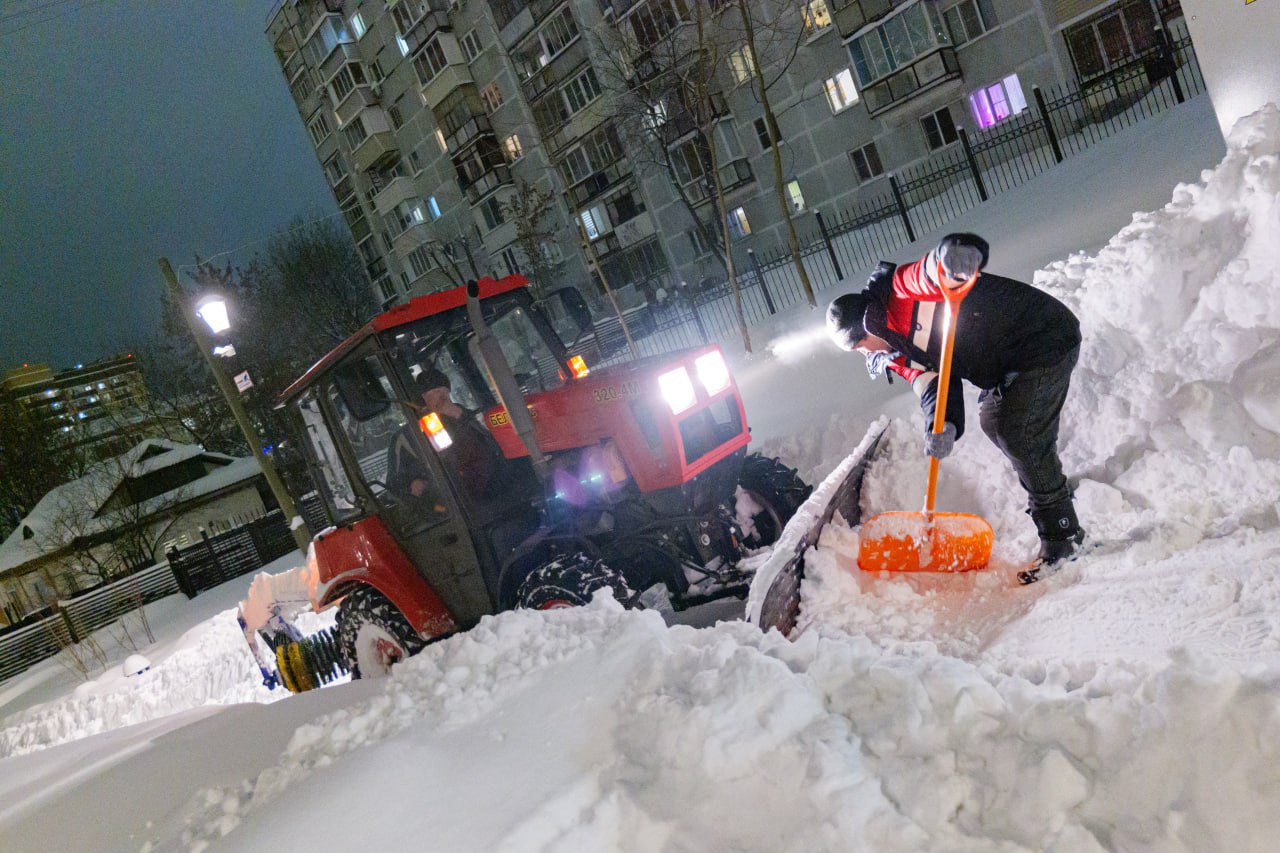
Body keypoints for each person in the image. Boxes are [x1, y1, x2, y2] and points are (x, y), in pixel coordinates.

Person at [826, 233, 1084, 581]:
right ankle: (1053, 502)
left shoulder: (900, 291)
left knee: (1019, 432)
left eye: (859, 344)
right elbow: (932, 385)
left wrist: (950, 257)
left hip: (1043, 336)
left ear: (866, 326)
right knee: (994, 420)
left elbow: (927, 272)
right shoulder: (891, 352)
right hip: (1008, 362)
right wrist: (941, 424)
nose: (862, 352)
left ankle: (1062, 536)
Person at [386, 364, 498, 510]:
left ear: (448, 391)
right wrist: (417, 485)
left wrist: (459, 416)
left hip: (493, 494)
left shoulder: (473, 417)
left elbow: (494, 451)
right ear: (421, 399)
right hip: (447, 509)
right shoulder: (408, 436)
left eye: (442, 392)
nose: (440, 398)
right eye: (432, 394)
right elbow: (395, 486)